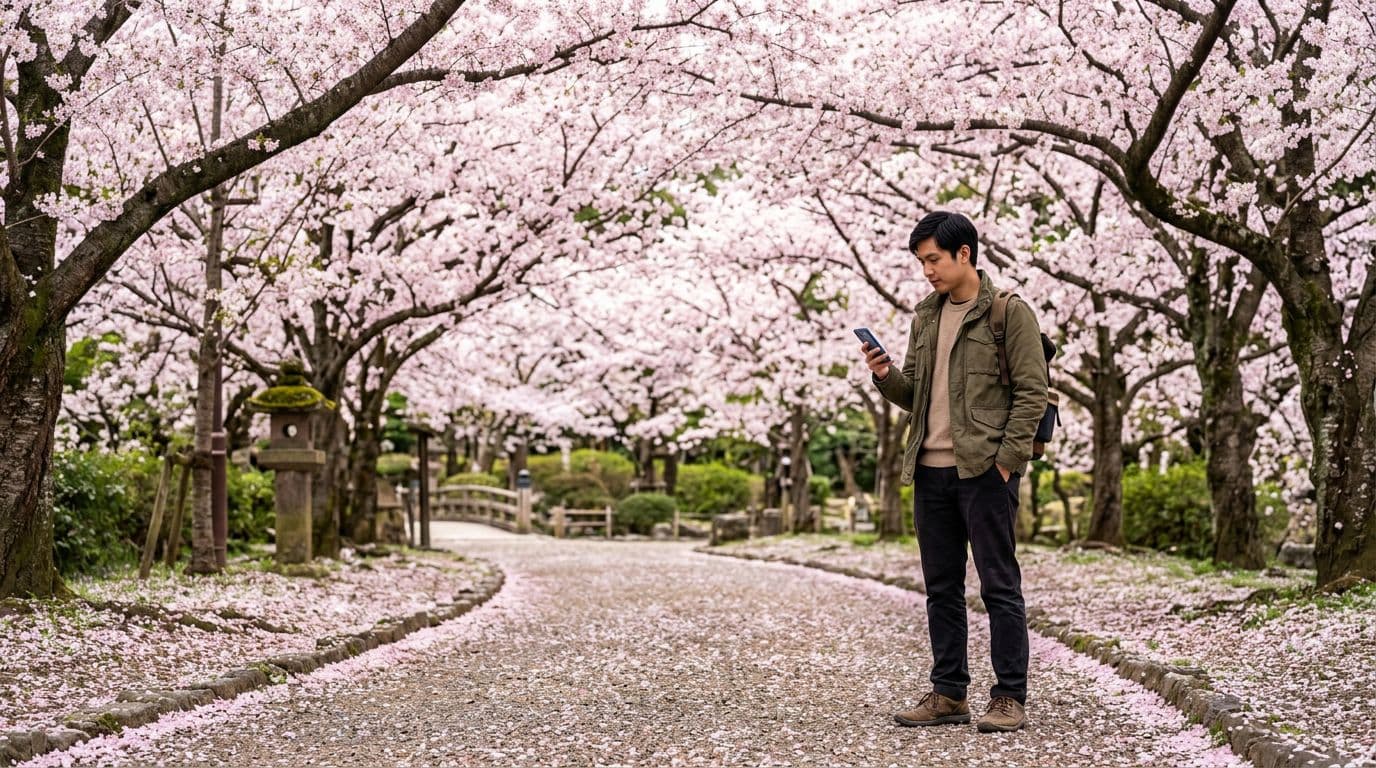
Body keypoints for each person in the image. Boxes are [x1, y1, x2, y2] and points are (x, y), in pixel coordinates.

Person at [861, 211, 1048, 733]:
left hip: (984, 472)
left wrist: (1007, 463)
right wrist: (884, 376)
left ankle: (1010, 696)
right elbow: (914, 393)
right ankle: (949, 693)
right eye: (922, 262)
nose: (928, 272)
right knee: (941, 589)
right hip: (929, 471)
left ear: (964, 253)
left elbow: (1033, 393)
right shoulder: (926, 316)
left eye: (934, 260)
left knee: (998, 587)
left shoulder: (1010, 313)